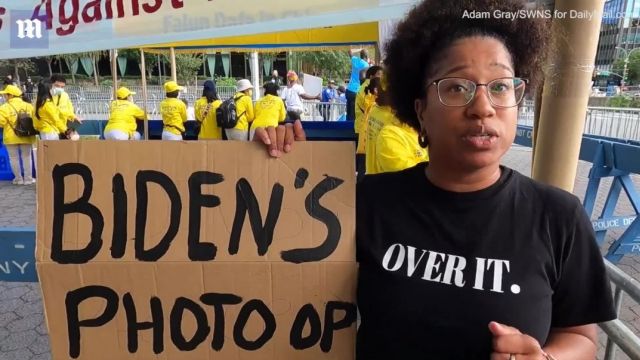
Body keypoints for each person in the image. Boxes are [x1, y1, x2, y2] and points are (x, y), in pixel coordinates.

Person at [256, 0, 617, 359]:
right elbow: (277, 271)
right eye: (457, 87)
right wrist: (275, 166)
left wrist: (547, 358)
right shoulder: (366, 201)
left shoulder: (558, 217)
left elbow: (580, 337)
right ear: (421, 110)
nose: (483, 107)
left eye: (500, 86)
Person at [0, 85, 36, 185]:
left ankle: (18, 179)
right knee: (27, 156)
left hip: (11, 137)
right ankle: (28, 179)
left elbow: (1, 123)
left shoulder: (4, 107)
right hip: (26, 135)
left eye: (5, 95)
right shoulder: (28, 106)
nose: (4, 97)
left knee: (13, 158)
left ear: (10, 95)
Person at [355, 66, 384, 179]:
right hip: (365, 130)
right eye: (379, 75)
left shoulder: (368, 87)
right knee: (364, 162)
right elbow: (368, 107)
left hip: (367, 129)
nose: (381, 77)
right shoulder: (366, 88)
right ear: (371, 76)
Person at [346, 49, 370, 122]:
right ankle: (352, 131)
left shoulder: (355, 60)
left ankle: (345, 129)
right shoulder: (366, 65)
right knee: (354, 115)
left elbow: (349, 51)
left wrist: (359, 49)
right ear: (366, 56)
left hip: (349, 90)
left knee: (349, 112)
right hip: (357, 91)